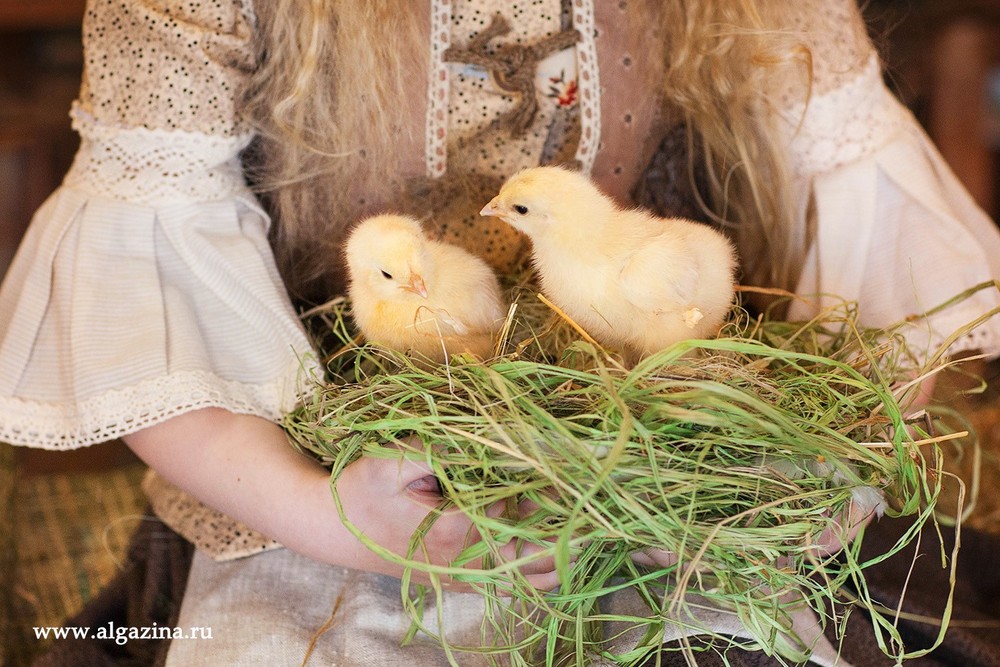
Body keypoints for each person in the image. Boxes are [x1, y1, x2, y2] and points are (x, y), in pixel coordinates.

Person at [2, 0, 999, 664]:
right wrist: (325, 513)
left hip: (670, 481)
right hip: (310, 483)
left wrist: (835, 460)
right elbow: (146, 297)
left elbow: (878, 258)